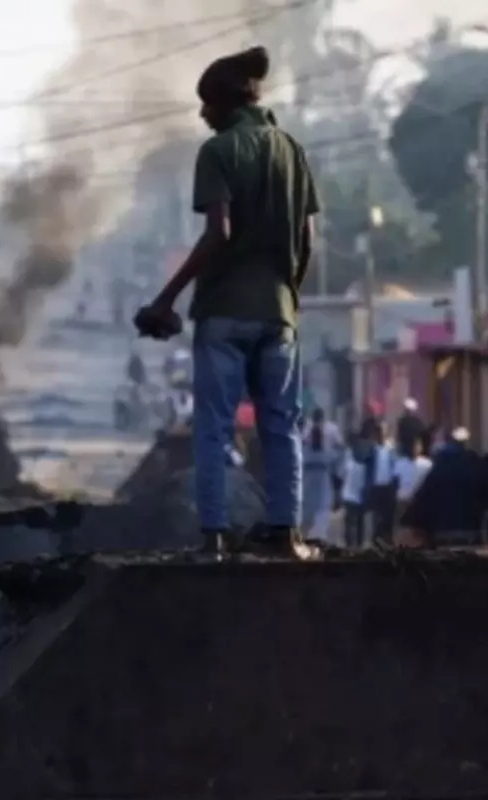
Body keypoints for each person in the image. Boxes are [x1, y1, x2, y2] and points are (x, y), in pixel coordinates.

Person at [133, 45, 319, 556]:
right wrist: (288, 295)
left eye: (206, 104)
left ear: (228, 104)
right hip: (278, 314)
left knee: (213, 430)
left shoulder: (218, 152)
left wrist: (166, 299)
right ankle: (286, 533)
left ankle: (214, 537)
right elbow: (308, 240)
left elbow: (219, 232)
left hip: (223, 313)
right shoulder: (292, 151)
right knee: (281, 425)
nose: (202, 114)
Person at [404, 427, 487, 547]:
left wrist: (415, 523)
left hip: (441, 533)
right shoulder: (473, 468)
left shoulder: (437, 470)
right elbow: (485, 496)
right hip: (470, 532)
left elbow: (422, 500)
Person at [302, 409, 342, 542]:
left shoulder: (306, 449)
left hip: (310, 478)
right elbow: (338, 453)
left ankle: (313, 537)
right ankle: (317, 538)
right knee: (319, 510)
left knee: (314, 510)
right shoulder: (327, 452)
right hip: (319, 478)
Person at [339, 420, 380, 548]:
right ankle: (359, 549)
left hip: (349, 490)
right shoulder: (373, 450)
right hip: (362, 491)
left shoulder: (351, 449)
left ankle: (349, 550)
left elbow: (342, 471)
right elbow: (373, 474)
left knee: (350, 523)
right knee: (361, 523)